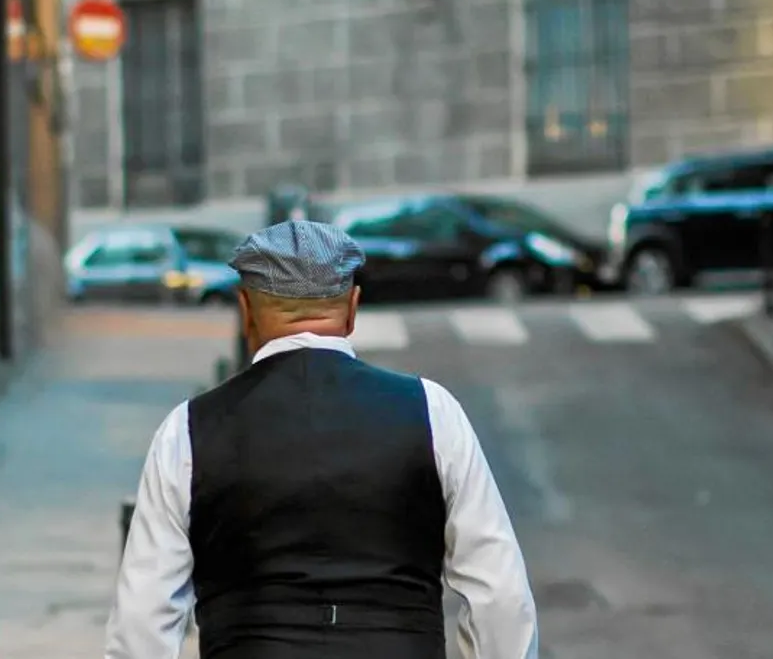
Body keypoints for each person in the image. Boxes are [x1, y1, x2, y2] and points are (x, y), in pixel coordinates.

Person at [105, 220, 538, 659]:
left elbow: (142, 623)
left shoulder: (188, 431)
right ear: (352, 308)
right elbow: (500, 597)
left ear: (245, 310)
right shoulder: (431, 412)